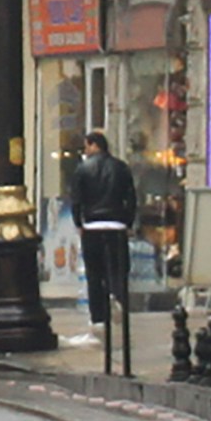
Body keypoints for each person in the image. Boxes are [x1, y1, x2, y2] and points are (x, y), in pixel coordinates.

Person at [60, 131, 141, 357]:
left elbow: (77, 200)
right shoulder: (121, 167)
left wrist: (79, 223)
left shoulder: (83, 169)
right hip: (116, 225)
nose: (85, 151)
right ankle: (118, 299)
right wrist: (127, 221)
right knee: (118, 269)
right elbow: (131, 197)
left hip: (93, 226)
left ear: (93, 145)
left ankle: (98, 319)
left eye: (86, 146)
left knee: (95, 275)